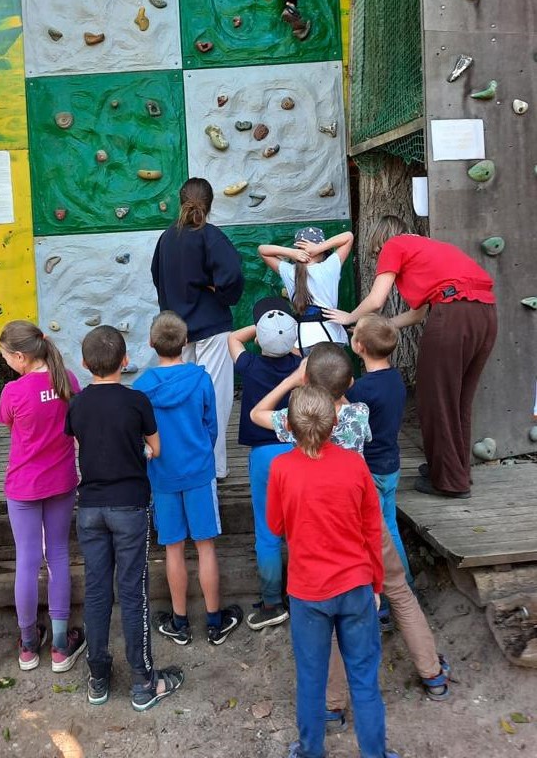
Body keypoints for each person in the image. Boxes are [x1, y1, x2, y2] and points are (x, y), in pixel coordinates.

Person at [252, 353, 451, 728]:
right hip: (364, 523)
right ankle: (432, 674)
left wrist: (292, 380)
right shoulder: (359, 413)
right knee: (400, 594)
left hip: (320, 534)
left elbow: (256, 414)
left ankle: (332, 705)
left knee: (327, 619)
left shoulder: (296, 423)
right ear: (349, 385)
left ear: (308, 385)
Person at [266, 385, 401, 758]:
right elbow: (372, 529)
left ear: (289, 427)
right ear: (334, 423)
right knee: (364, 678)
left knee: (311, 678)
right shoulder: (355, 464)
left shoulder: (281, 468)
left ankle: (311, 751)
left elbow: (275, 526)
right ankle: (375, 753)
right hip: (356, 584)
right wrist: (376, 584)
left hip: (308, 591)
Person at [324, 215, 497, 498]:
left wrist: (350, 317)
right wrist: (382, 326)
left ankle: (450, 482)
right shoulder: (431, 248)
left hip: (453, 314)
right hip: (485, 313)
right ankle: (454, 469)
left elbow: (377, 299)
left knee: (435, 398)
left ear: (382, 238)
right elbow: (417, 315)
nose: (379, 256)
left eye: (376, 251)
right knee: (458, 399)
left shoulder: (394, 244)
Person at [67, 326, 183, 710]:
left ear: (84, 365)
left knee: (98, 592)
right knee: (133, 593)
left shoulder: (78, 405)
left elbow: (80, 445)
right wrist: (140, 456)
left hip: (90, 509)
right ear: (126, 360)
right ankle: (143, 681)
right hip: (130, 507)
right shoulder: (136, 402)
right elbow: (156, 447)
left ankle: (97, 677)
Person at [134, 311, 242, 646]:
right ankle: (213, 620)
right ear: (185, 342)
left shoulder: (141, 387)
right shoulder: (200, 378)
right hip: (198, 472)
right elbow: (211, 425)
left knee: (174, 549)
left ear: (152, 344)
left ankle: (179, 622)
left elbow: (140, 434)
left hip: (162, 475)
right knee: (206, 545)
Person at [0, 321, 86, 673]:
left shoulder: (13, 392)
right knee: (59, 555)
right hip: (61, 481)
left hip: (23, 487)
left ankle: (28, 644)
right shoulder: (68, 380)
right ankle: (62, 645)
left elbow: (9, 424)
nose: (4, 362)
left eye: (5, 356)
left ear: (20, 357)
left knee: (27, 561)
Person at [151, 177, 244, 479]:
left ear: (181, 202)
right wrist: (220, 294)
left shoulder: (166, 238)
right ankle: (213, 467)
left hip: (176, 331)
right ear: (211, 203)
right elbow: (231, 278)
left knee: (180, 395)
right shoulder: (211, 236)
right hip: (212, 327)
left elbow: (157, 276)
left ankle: (182, 461)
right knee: (215, 396)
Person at [227, 297, 299, 629]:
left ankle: (272, 602)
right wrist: (284, 332)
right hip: (299, 452)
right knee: (300, 527)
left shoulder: (250, 366)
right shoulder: (302, 369)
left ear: (260, 339)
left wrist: (262, 328)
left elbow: (233, 339)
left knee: (267, 531)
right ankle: (304, 592)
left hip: (263, 456)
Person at [347, 315, 411, 579]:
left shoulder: (360, 391)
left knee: (371, 532)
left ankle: (383, 595)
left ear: (359, 346)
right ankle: (404, 581)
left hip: (369, 468)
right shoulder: (396, 379)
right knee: (390, 526)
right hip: (391, 465)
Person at [258, 226, 353, 352]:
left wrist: (291, 253)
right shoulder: (330, 266)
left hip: (303, 340)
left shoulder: (290, 272)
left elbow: (262, 250)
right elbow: (348, 236)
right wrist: (318, 248)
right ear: (323, 251)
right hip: (331, 337)